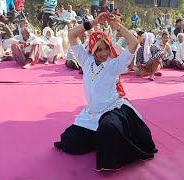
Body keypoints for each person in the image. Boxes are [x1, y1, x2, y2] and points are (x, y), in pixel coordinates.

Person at [54, 12, 157, 171]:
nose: (103, 53)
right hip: (91, 115)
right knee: (68, 142)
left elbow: (134, 43)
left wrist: (116, 26)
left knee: (108, 128)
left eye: (106, 49)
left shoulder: (113, 65)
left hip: (112, 110)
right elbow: (72, 35)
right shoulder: (85, 61)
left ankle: (108, 143)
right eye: (99, 49)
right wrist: (94, 22)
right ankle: (101, 138)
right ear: (93, 50)